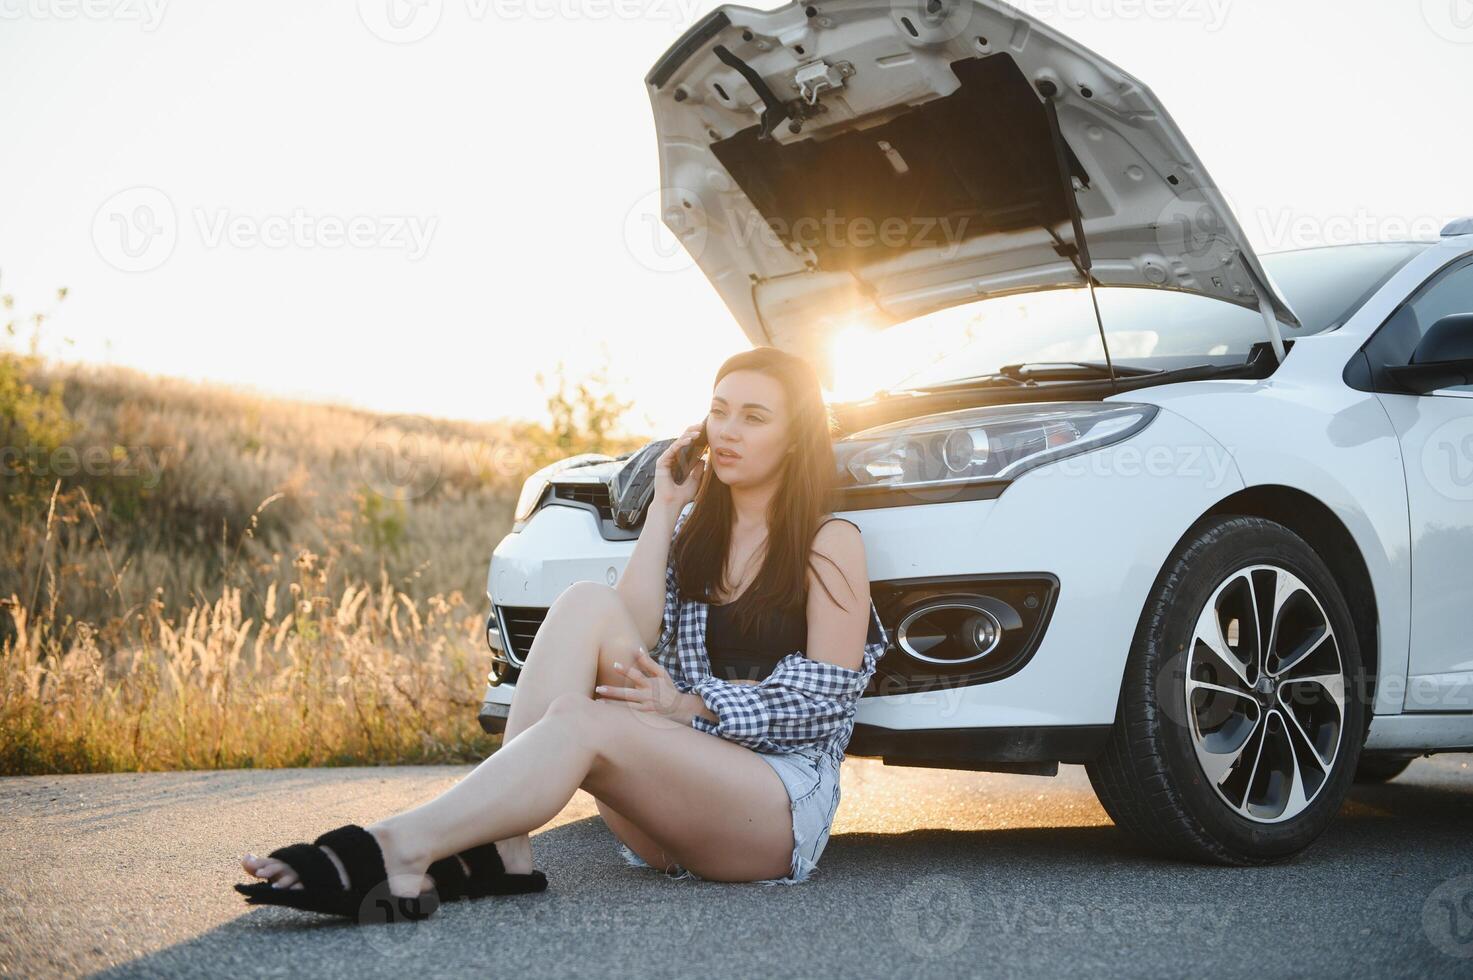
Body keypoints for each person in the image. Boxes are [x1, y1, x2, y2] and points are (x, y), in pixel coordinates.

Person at [235, 346, 889, 922]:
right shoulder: (697, 536)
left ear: (797, 438)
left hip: (770, 814)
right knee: (583, 603)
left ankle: (396, 844)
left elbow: (821, 702)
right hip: (670, 807)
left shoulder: (829, 543)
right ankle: (503, 846)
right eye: (719, 411)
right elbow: (626, 627)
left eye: (754, 416)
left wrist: (689, 707)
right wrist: (664, 509)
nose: (727, 430)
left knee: (582, 720)